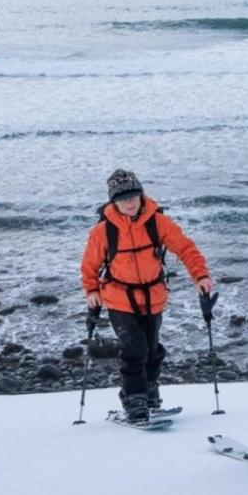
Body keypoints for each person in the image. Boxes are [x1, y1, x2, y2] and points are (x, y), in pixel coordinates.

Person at [81, 169, 215, 423]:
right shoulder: (103, 231)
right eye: (123, 199)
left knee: (152, 350)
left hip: (153, 296)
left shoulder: (158, 222)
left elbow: (186, 249)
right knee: (134, 349)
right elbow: (89, 265)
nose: (130, 203)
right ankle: (135, 400)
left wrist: (201, 276)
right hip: (118, 297)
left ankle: (150, 393)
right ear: (113, 202)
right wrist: (91, 291)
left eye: (133, 197)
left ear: (141, 195)